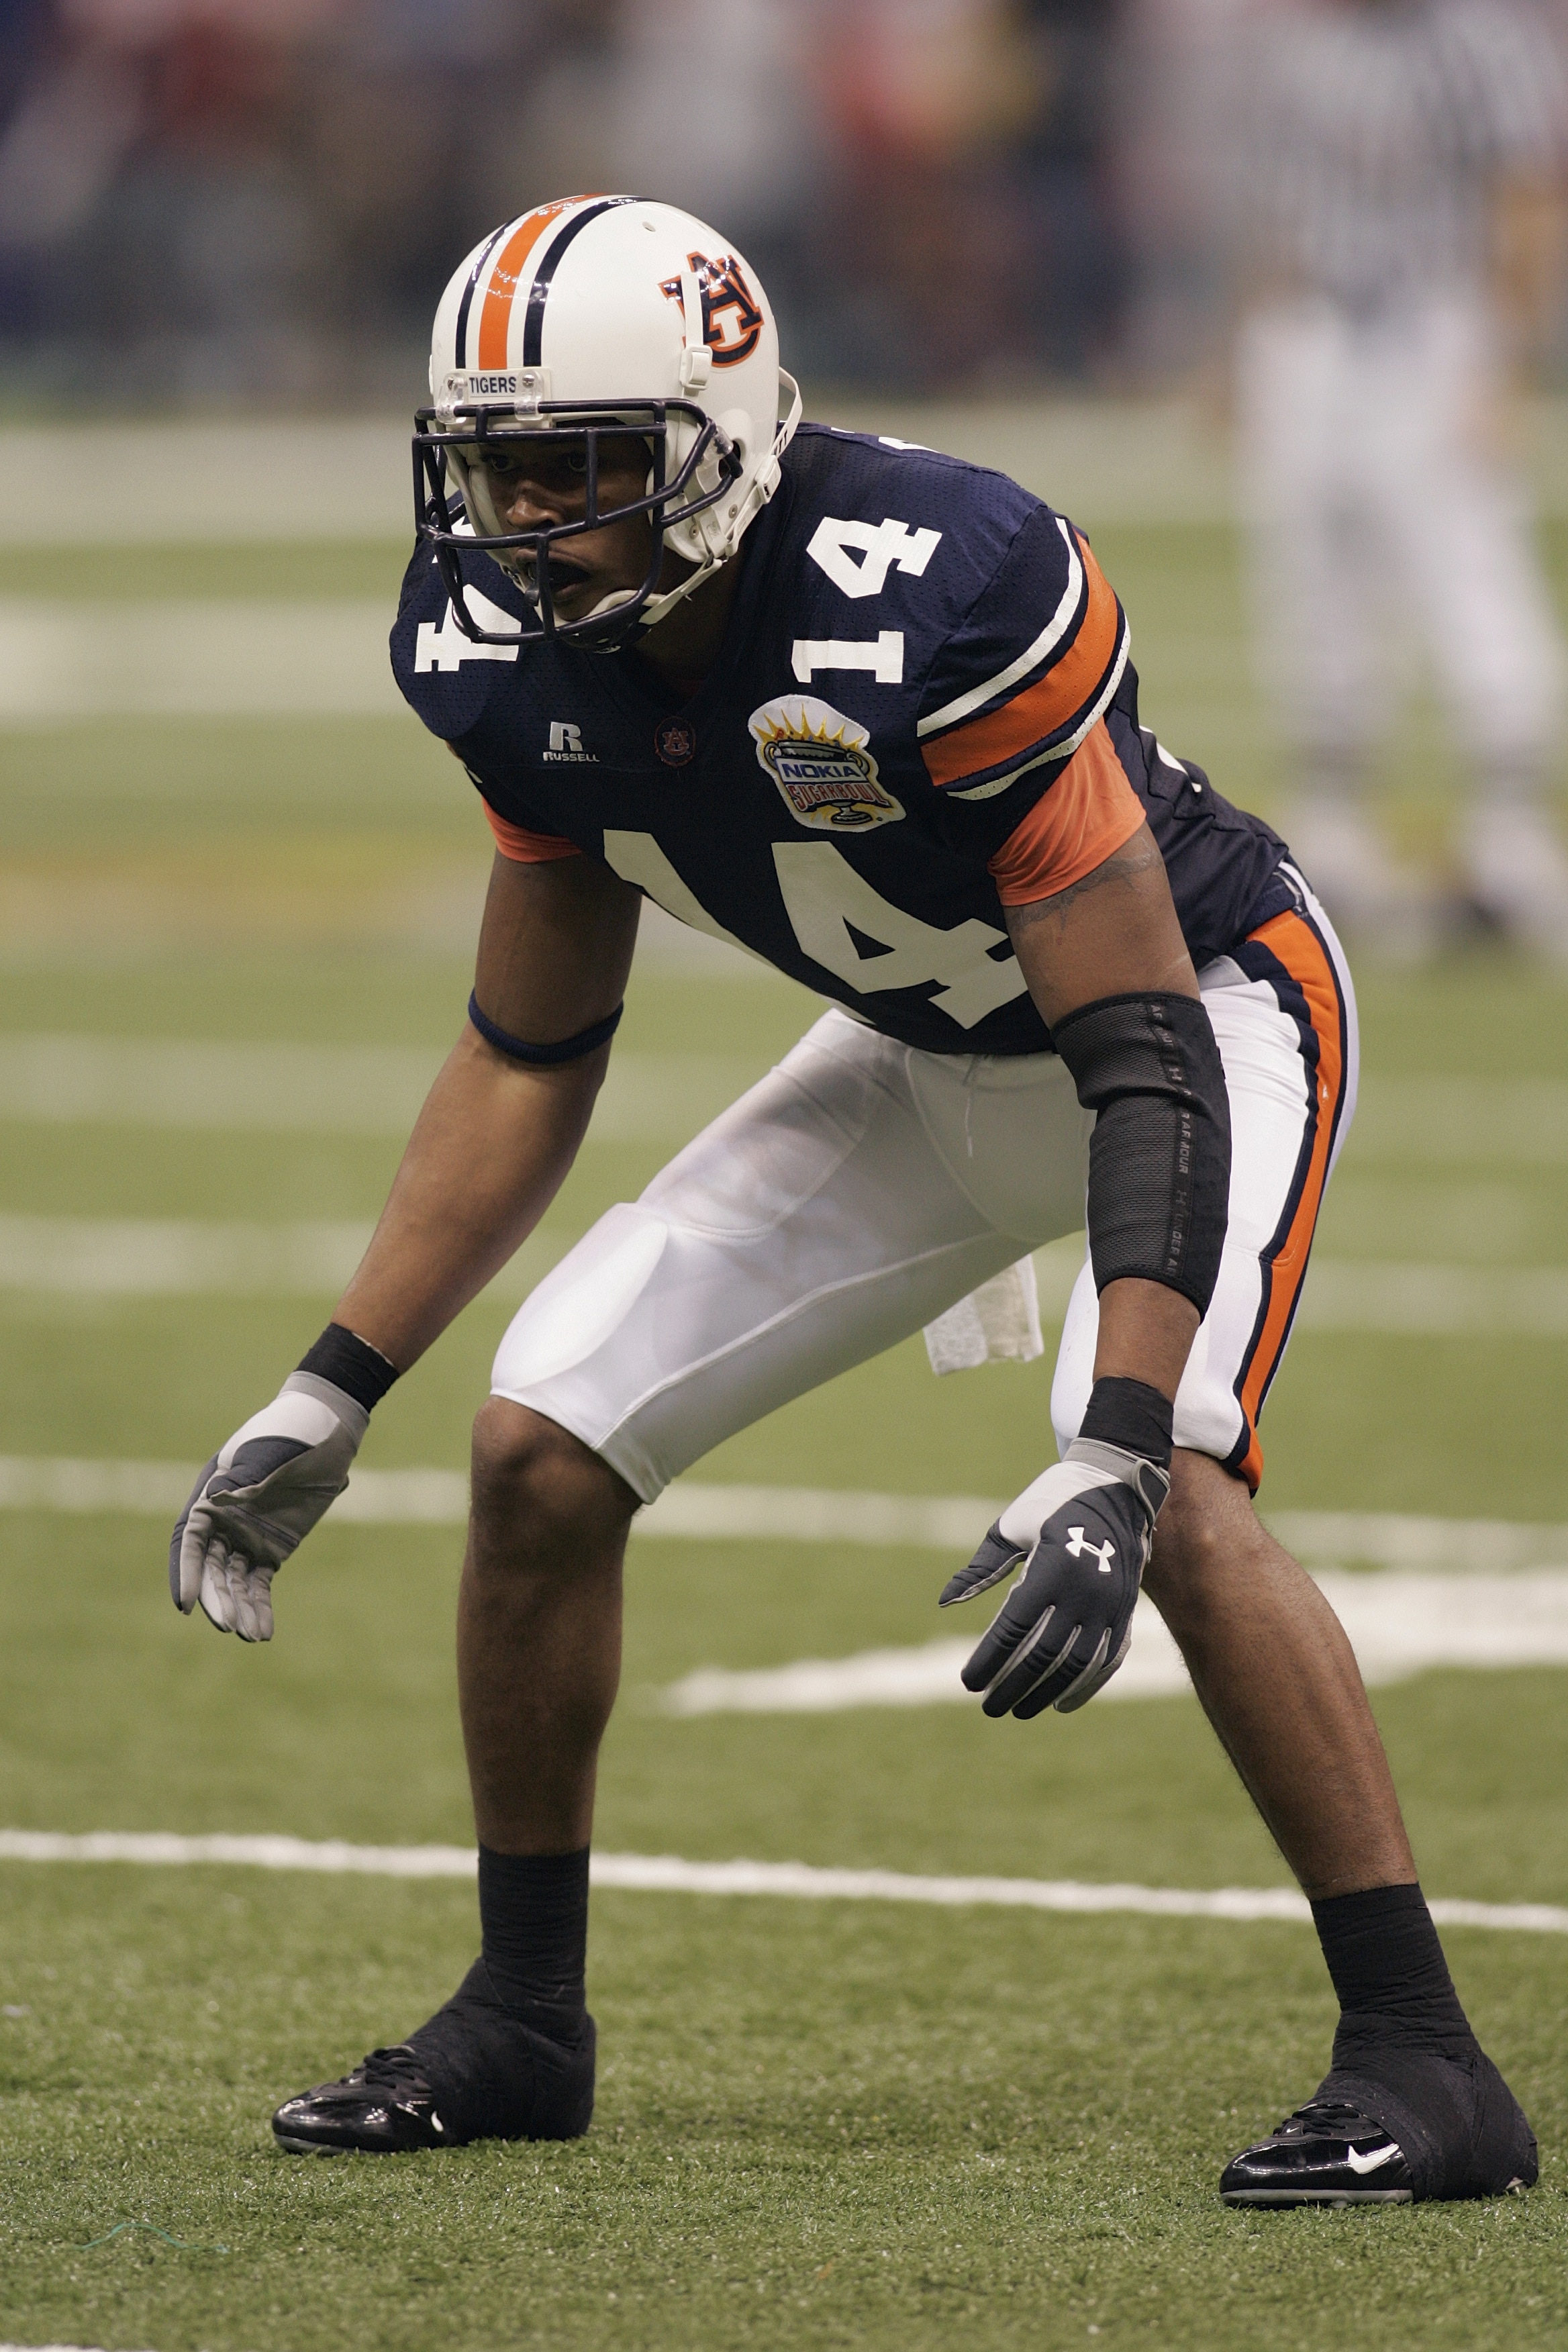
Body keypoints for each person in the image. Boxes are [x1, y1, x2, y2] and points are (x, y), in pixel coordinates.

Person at [170, 195, 1536, 2205]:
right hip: (916, 1052)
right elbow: (528, 1048)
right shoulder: (502, 655)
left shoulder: (942, 584)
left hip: (1195, 1019)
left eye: (582, 463)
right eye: (494, 468)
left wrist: (1116, 1441)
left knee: (1175, 1487)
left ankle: (1428, 2062)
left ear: (720, 436)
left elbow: (1142, 1053)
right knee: (538, 1449)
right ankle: (524, 2022)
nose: (527, 520)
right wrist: (334, 1381)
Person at [1228, 0, 1568, 953]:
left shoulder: (1482, 43)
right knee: (1312, 580)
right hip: (1311, 330)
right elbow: (1274, 203)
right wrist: (1245, 336)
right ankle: (1333, 831)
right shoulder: (1300, 47)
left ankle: (1510, 836)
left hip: (1434, 324)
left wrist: (1504, 354)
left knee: (1468, 568)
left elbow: (1525, 194)